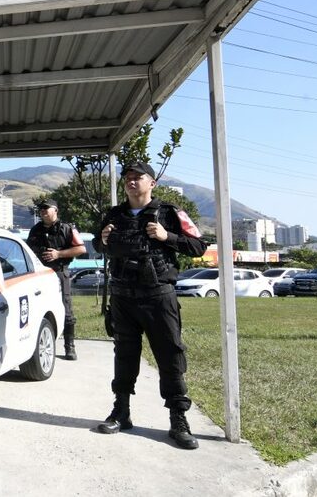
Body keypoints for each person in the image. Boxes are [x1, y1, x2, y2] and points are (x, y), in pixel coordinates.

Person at [96, 161, 207, 450]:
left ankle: (178, 419)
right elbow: (100, 246)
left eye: (138, 177)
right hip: (123, 297)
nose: (131, 182)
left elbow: (199, 246)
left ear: (152, 183)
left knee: (170, 356)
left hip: (158, 296)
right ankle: (121, 411)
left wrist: (165, 236)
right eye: (127, 178)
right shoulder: (114, 214)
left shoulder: (169, 212)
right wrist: (102, 240)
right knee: (124, 354)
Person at [26, 199, 86, 360]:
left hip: (59, 273)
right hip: (38, 275)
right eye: (41, 209)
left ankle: (69, 347)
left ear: (56, 210)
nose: (43, 211)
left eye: (46, 208)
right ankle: (37, 346)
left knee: (67, 312)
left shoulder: (67, 228)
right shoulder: (35, 230)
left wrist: (58, 254)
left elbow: (81, 248)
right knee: (37, 311)